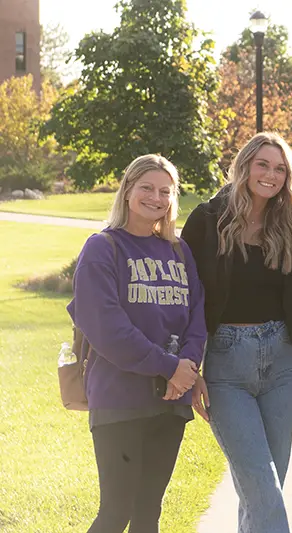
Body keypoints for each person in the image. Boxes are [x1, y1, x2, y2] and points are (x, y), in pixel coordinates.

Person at [68, 154, 205, 533]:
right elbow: (107, 328)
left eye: (165, 191)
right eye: (146, 187)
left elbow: (197, 315)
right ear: (128, 190)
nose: (156, 197)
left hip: (171, 400)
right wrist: (168, 366)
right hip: (120, 398)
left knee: (149, 513)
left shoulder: (179, 251)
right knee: (117, 512)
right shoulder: (102, 248)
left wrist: (187, 368)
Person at [181, 132, 292, 533]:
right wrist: (189, 366)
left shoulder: (290, 221)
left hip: (283, 362)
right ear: (244, 166)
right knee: (262, 486)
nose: (271, 175)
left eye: (280, 168)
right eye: (263, 164)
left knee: (263, 492)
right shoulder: (206, 219)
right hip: (226, 363)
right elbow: (185, 297)